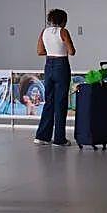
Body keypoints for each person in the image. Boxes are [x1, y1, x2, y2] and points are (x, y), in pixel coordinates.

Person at [33, 8, 76, 146]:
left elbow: (40, 51)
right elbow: (71, 51)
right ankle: (59, 139)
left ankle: (42, 136)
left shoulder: (44, 32)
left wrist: (51, 50)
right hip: (61, 65)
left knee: (49, 101)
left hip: (48, 65)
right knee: (61, 102)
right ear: (63, 21)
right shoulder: (63, 31)